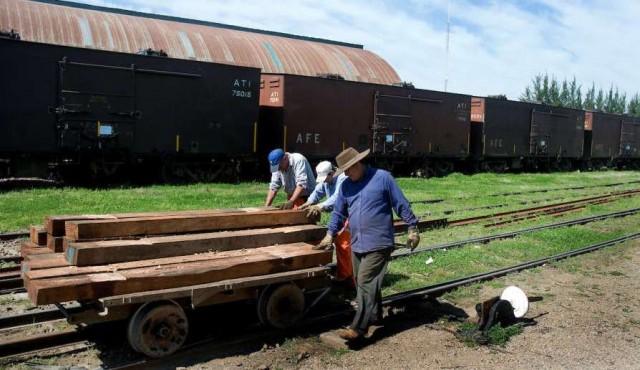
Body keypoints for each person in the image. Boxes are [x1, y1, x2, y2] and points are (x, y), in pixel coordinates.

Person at [315, 147, 420, 341]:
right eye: (344, 171)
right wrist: (330, 234)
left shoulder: (383, 178)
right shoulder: (346, 185)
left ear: (358, 164)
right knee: (365, 282)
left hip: (379, 241)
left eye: (349, 169)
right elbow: (339, 213)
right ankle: (374, 316)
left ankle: (358, 328)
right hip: (357, 243)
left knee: (364, 281)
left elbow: (401, 204)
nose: (346, 174)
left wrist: (412, 227)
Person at [299, 161, 352, 282]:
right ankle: (344, 271)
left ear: (332, 173)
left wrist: (320, 206)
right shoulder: (327, 180)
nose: (324, 181)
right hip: (339, 214)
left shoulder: (343, 178)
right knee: (338, 242)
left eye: (325, 178)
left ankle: (347, 276)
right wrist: (309, 202)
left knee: (343, 244)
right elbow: (318, 190)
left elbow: (337, 198)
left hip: (349, 214)